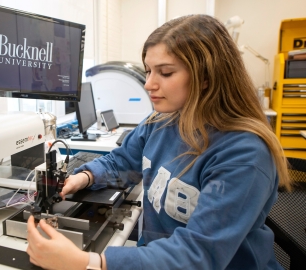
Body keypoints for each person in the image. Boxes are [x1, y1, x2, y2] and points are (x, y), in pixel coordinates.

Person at [26, 14, 291, 270]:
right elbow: (123, 162)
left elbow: (199, 255)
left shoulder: (243, 154)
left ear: (207, 77)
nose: (149, 84)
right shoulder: (161, 122)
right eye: (148, 71)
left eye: (165, 73)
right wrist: (82, 178)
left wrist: (86, 263)